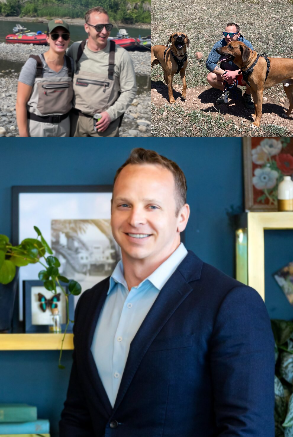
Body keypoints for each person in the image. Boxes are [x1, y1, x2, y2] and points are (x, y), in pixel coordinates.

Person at [60, 147, 275, 437]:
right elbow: (77, 416)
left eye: (152, 206)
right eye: (124, 205)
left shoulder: (232, 303)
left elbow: (247, 431)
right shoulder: (90, 303)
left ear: (181, 217)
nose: (135, 219)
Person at [67, 6, 136, 137]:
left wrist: (111, 115)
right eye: (99, 27)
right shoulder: (75, 49)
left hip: (105, 124)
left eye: (108, 27)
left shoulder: (121, 55)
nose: (104, 32)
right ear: (87, 27)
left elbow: (129, 90)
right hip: (75, 121)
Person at [16, 19, 73, 137]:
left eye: (65, 36)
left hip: (64, 127)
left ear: (69, 39)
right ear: (47, 38)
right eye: (55, 35)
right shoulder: (34, 64)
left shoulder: (71, 64)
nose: (60, 39)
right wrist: (24, 137)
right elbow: (20, 103)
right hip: (38, 128)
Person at [201, 21, 254, 106]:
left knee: (253, 78)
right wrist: (225, 73)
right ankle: (227, 90)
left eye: (231, 34)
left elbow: (252, 64)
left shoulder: (245, 45)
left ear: (238, 34)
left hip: (242, 74)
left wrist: (235, 73)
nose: (228, 37)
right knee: (211, 77)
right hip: (225, 75)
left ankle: (247, 95)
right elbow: (210, 63)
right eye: (225, 34)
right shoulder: (220, 44)